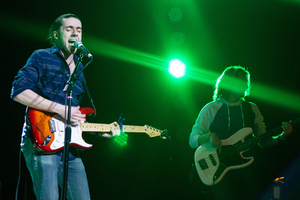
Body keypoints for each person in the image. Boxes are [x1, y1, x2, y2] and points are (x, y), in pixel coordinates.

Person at [11, 13, 120, 200]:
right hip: (41, 140)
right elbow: (18, 91)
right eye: (69, 29)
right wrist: (60, 109)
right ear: (55, 34)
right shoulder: (41, 56)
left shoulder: (80, 69)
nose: (75, 33)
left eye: (79, 30)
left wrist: (98, 131)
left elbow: (75, 115)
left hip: (69, 147)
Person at [189, 66, 293, 200]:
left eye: (246, 81)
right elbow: (192, 139)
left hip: (247, 169)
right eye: (241, 81)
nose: (245, 84)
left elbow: (263, 141)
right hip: (219, 168)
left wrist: (282, 137)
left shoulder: (252, 109)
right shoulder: (211, 108)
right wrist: (209, 136)